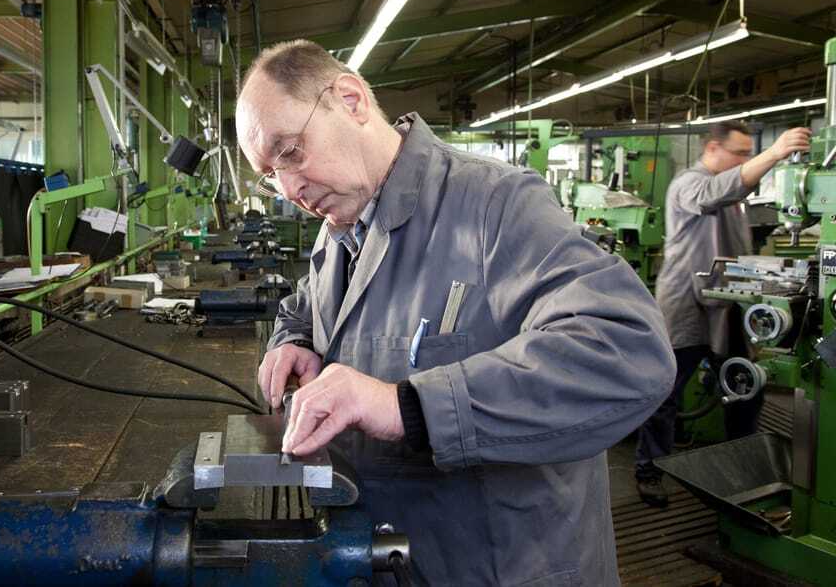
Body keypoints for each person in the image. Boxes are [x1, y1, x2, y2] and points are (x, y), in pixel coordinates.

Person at [236, 39, 675, 586]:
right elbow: (308, 301)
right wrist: (293, 338)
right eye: (270, 175)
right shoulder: (338, 230)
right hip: (391, 557)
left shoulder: (495, 204)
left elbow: (628, 351)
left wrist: (406, 406)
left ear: (350, 101)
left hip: (501, 568)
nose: (289, 190)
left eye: (290, 153)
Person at [636, 121, 812, 507]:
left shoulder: (736, 193)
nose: (745, 160)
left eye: (749, 153)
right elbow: (713, 194)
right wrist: (774, 152)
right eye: (740, 153)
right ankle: (650, 469)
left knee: (745, 386)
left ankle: (742, 466)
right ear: (713, 148)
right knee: (666, 391)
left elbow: (735, 191)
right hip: (686, 305)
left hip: (727, 302)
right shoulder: (689, 183)